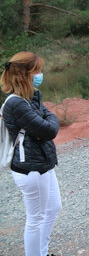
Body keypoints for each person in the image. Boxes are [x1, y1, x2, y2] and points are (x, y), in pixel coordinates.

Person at [1, 52, 61, 256]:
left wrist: (48, 119)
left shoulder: (30, 96)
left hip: (42, 163)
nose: (41, 74)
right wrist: (48, 121)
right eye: (37, 70)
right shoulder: (16, 103)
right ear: (25, 74)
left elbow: (48, 118)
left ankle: (41, 252)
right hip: (30, 169)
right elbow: (49, 129)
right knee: (36, 218)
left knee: (53, 207)